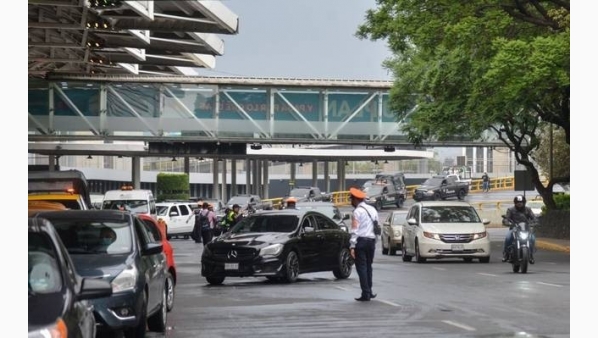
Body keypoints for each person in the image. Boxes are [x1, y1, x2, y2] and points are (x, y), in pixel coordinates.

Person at [349, 187, 379, 301]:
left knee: (361, 268)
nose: (351, 202)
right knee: (368, 267)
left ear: (356, 200)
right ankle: (369, 291)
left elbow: (355, 230)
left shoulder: (357, 212)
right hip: (371, 241)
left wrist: (352, 245)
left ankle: (365, 293)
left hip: (361, 241)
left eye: (351, 199)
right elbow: (377, 227)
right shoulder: (373, 210)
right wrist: (375, 240)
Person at [502, 195, 537, 264]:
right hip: (514, 228)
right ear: (515, 203)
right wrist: (506, 222)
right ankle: (506, 254)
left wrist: (535, 222)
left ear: (524, 202)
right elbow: (506, 218)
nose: (519, 204)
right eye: (518, 202)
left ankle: (531, 254)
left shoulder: (528, 209)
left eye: (521, 202)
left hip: (525, 229)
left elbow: (533, 218)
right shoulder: (511, 210)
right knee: (508, 237)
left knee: (532, 238)